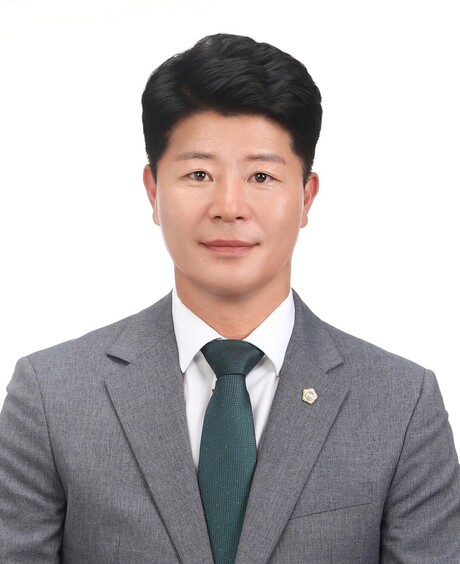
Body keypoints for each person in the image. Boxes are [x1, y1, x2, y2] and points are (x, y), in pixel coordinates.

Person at [1, 33, 459, 564]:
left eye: (262, 175)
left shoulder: (400, 404)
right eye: (198, 174)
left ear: (306, 197)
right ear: (153, 191)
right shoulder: (52, 396)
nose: (229, 206)